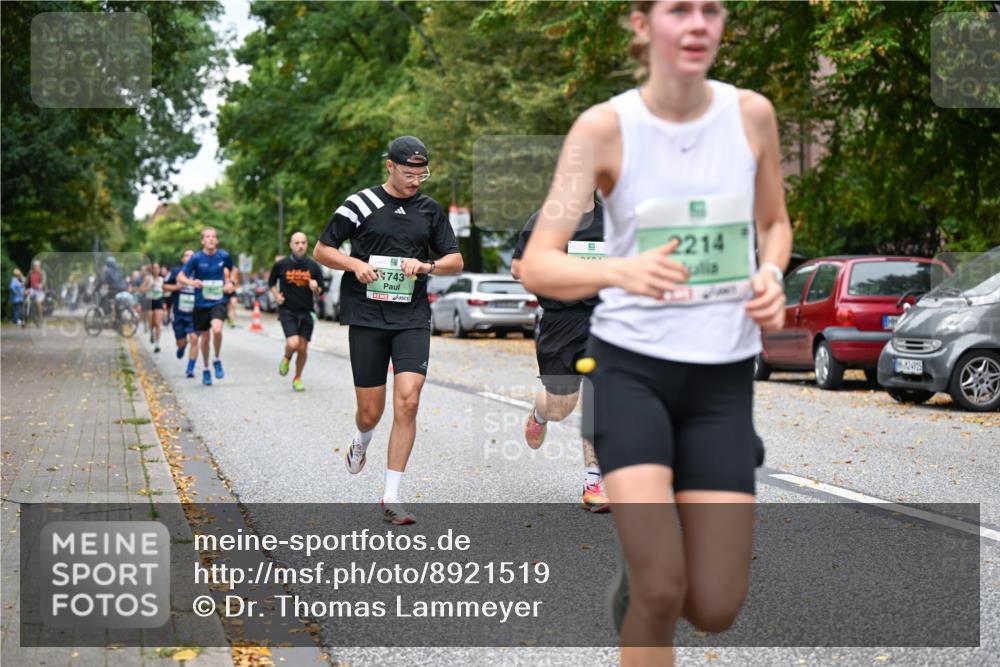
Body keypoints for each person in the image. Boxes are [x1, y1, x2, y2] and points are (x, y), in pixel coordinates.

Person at [519, 2, 793, 664]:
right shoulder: (603, 129)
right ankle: (647, 585)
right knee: (662, 587)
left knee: (716, 606)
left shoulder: (751, 115)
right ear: (642, 25)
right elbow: (538, 262)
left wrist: (771, 274)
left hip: (722, 382)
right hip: (631, 370)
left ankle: (639, 585)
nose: (698, 23)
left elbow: (774, 223)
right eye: (679, 10)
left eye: (711, 9)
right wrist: (621, 269)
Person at [314, 135, 464, 525]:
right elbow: (322, 249)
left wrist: (427, 266)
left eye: (422, 175)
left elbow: (455, 260)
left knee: (409, 401)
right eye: (409, 174)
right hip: (367, 316)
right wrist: (354, 264)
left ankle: (391, 496)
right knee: (370, 412)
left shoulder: (429, 210)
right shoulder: (360, 203)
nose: (415, 182)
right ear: (390, 167)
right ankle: (362, 440)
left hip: (411, 317)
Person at [510, 196, 610, 512]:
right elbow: (518, 269)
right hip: (560, 321)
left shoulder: (614, 220)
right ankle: (541, 414)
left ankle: (594, 482)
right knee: (561, 406)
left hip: (605, 318)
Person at [179, 228, 236, 386]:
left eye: (213, 237)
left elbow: (233, 269)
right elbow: (181, 276)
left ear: (216, 240)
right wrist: (192, 282)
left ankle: (216, 359)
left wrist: (231, 282)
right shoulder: (196, 258)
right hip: (201, 303)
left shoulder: (223, 256)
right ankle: (205, 369)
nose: (211, 239)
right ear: (202, 241)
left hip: (218, 300)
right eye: (207, 237)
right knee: (205, 338)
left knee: (217, 329)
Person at [269, 232, 325, 391]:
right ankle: (287, 357)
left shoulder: (313, 266)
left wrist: (316, 288)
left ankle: (297, 378)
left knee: (302, 348)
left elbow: (321, 289)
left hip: (306, 312)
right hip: (287, 310)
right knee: (293, 343)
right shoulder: (282, 264)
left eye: (303, 242)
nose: (300, 245)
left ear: (307, 244)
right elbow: (271, 283)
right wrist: (276, 295)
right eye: (297, 243)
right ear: (291, 245)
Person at [164, 250, 199, 378]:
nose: (189, 257)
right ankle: (182, 347)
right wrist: (176, 287)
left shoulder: (199, 272)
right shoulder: (175, 272)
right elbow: (164, 286)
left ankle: (190, 368)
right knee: (181, 342)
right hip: (178, 312)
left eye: (192, 256)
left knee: (194, 338)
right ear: (182, 259)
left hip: (194, 313)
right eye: (187, 255)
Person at [147, 262, 164, 353]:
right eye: (154, 268)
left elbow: (166, 290)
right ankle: (151, 333)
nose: (156, 270)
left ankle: (157, 344)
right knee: (151, 323)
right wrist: (149, 286)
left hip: (159, 301)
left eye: (157, 268)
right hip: (149, 302)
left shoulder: (162, 279)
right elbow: (141, 289)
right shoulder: (148, 279)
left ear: (159, 269)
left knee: (157, 323)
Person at [28, 260, 46, 326]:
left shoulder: (42, 272)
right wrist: (24, 286)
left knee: (38, 303)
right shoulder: (31, 272)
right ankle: (26, 314)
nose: (36, 267)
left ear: (40, 266)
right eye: (35, 265)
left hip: (40, 290)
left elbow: (44, 280)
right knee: (27, 298)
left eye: (38, 265)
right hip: (33, 289)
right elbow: (27, 281)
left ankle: (40, 316)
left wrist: (41, 285)